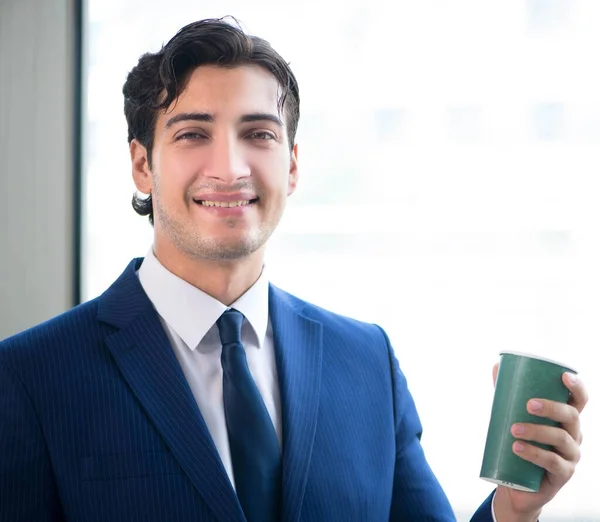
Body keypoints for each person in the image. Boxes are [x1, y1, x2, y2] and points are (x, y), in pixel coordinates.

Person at [0, 17, 588, 522]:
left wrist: (514, 511)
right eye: (193, 134)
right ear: (142, 166)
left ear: (293, 166)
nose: (229, 167)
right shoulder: (30, 377)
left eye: (257, 134)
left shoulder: (366, 362)